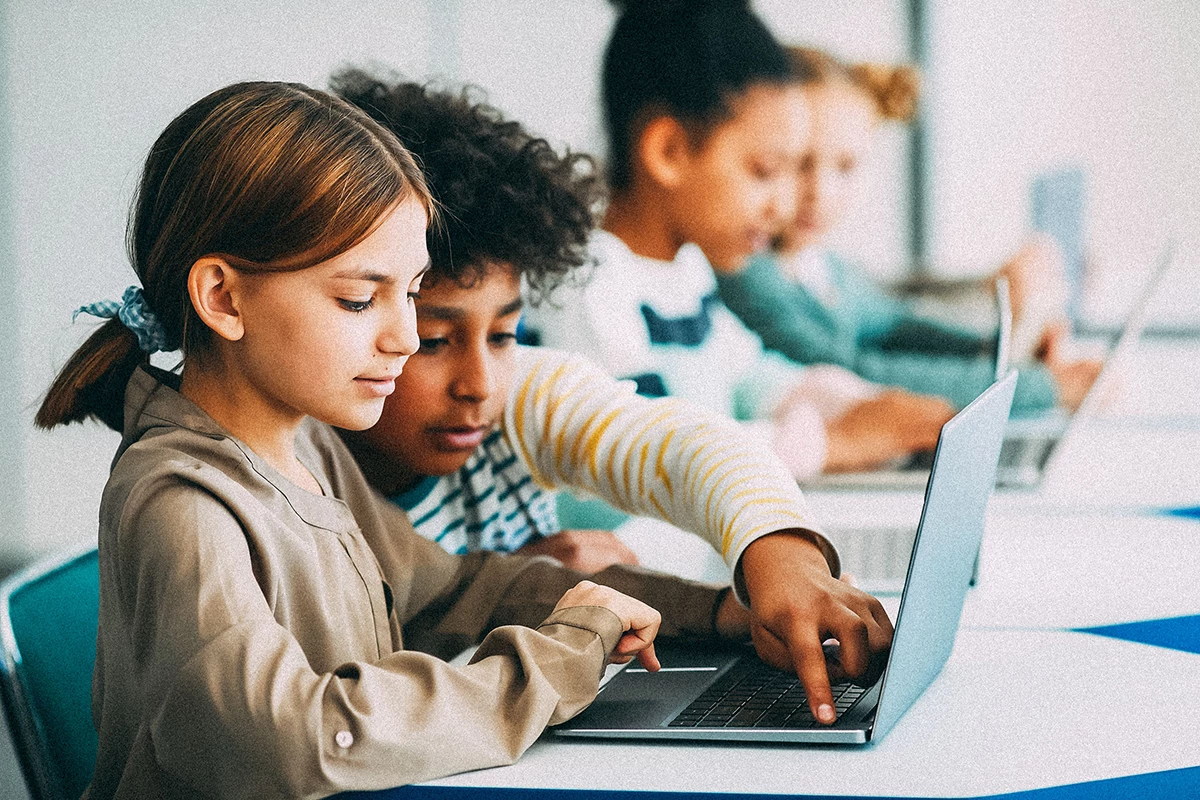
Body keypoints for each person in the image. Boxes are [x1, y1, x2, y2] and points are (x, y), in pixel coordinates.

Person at [35, 81, 765, 799]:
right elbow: (287, 740)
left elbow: (453, 591)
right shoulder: (184, 505)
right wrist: (559, 658)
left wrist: (711, 613)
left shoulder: (308, 450)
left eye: (409, 294)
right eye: (359, 299)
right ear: (223, 298)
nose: (405, 336)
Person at [333, 73, 894, 721]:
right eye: (433, 341)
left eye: (505, 333)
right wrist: (513, 591)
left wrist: (781, 558)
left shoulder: (519, 394)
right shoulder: (315, 476)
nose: (479, 382)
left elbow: (680, 445)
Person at [526, 0, 954, 481]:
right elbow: (640, 458)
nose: (783, 206)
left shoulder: (685, 273)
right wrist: (832, 444)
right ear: (669, 152)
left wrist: (860, 402)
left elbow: (752, 374)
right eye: (764, 172)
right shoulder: (589, 286)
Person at [714, 46, 1103, 413]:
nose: (820, 192)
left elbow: (895, 325)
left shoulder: (823, 267)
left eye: (846, 167)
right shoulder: (743, 269)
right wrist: (1043, 387)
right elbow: (855, 375)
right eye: (799, 163)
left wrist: (994, 351)